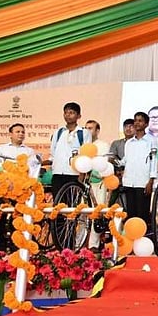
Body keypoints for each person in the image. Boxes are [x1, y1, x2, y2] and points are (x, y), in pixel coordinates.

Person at [0, 124, 36, 252]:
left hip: (20, 191)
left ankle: (16, 246)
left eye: (22, 132)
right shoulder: (1, 149)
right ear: (10, 134)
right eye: (17, 131)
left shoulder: (29, 152)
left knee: (18, 218)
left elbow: (32, 170)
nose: (21, 134)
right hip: (3, 188)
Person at [46, 102, 92, 198]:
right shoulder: (58, 132)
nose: (68, 115)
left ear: (79, 116)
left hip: (74, 174)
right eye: (66, 112)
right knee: (57, 202)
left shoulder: (84, 133)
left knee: (72, 203)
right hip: (58, 172)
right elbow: (53, 152)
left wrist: (82, 174)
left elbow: (86, 155)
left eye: (71, 113)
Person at [121, 112, 157, 232]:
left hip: (143, 182)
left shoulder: (151, 140)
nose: (137, 123)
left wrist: (151, 181)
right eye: (135, 120)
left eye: (140, 121)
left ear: (146, 124)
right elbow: (125, 160)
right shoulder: (129, 142)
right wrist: (115, 161)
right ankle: (131, 236)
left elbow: (154, 161)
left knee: (142, 213)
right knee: (131, 213)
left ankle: (142, 236)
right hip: (129, 181)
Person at [84, 120, 111, 250]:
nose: (87, 131)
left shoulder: (103, 145)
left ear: (97, 131)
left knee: (97, 213)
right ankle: (79, 243)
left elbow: (104, 164)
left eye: (90, 128)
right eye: (86, 128)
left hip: (99, 182)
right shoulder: (82, 144)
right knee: (82, 213)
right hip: (84, 183)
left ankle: (93, 245)